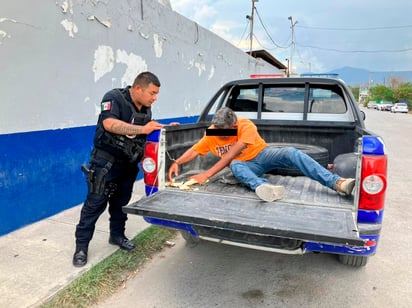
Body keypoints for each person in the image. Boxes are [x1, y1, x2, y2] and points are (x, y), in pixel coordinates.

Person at [168, 107, 355, 202]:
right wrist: (177, 161)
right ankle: (266, 189)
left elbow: (229, 155)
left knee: (291, 152)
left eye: (225, 131)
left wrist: (206, 174)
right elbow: (195, 149)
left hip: (263, 155)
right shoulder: (214, 131)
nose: (221, 134)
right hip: (245, 166)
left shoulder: (244, 125)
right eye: (218, 129)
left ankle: (336, 182)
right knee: (236, 166)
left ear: (234, 125)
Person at [73, 71, 164, 267]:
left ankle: (117, 236)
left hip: (128, 165)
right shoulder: (114, 97)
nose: (154, 98)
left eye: (156, 94)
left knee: (121, 204)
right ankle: (81, 247)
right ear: (138, 88)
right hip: (105, 163)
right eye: (152, 93)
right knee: (94, 205)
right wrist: (142, 129)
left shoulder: (146, 110)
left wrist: (161, 131)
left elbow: (144, 137)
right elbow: (110, 124)